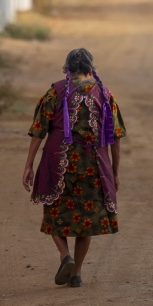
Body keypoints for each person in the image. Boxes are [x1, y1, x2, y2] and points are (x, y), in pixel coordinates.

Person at [22, 47, 126, 288]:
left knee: (53, 214)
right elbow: (116, 138)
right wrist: (115, 172)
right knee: (86, 219)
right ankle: (76, 272)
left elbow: (38, 132)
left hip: (60, 164)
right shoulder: (106, 95)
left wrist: (28, 165)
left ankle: (64, 256)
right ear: (92, 69)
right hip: (94, 166)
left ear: (66, 68)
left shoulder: (55, 92)